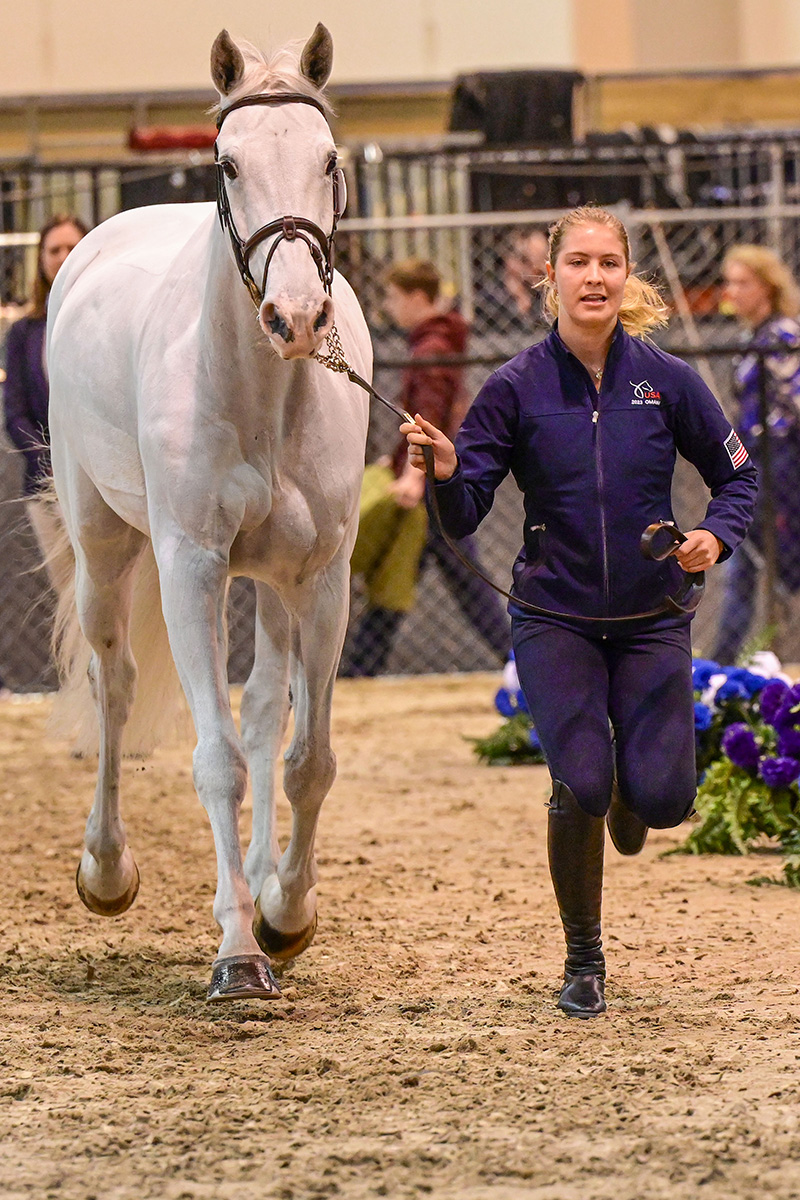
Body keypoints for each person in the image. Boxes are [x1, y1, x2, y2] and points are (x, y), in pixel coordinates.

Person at [401, 206, 758, 1018]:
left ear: (626, 277)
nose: (594, 278)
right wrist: (451, 471)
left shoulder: (667, 380)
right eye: (578, 263)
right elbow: (461, 516)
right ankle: (584, 957)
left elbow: (737, 478)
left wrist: (714, 536)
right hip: (553, 617)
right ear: (550, 277)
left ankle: (639, 789)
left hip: (653, 615)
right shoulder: (514, 386)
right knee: (582, 781)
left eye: (608, 263)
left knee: (663, 800)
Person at [346, 258, 511, 675]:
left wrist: (412, 476)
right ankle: (360, 668)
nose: (389, 307)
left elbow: (429, 415)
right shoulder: (441, 341)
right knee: (403, 574)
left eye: (393, 297)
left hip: (432, 482)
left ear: (417, 297)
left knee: (457, 577)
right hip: (431, 477)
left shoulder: (432, 348)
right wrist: (399, 460)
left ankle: (516, 657)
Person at [711, 244, 800, 664]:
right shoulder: (751, 337)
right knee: (745, 563)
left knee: (764, 564)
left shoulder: (783, 335)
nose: (732, 291)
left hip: (781, 461)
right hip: (755, 462)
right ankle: (723, 660)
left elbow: (794, 403)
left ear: (767, 286)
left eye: (742, 282)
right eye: (729, 282)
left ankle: (722, 661)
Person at [4, 213, 88, 593]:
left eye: (71, 246)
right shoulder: (24, 332)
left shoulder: (103, 320)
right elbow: (15, 413)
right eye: (53, 249)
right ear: (40, 259)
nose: (63, 255)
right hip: (46, 487)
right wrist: (50, 462)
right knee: (71, 598)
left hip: (105, 482)